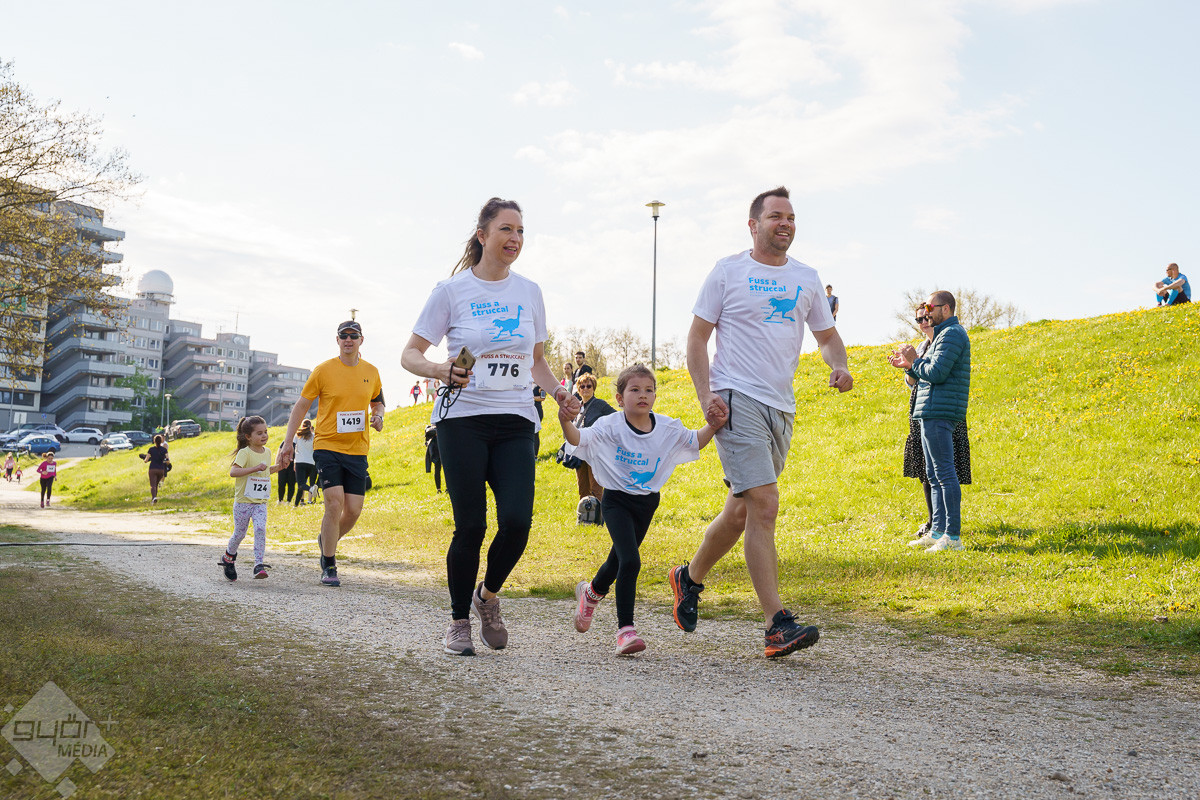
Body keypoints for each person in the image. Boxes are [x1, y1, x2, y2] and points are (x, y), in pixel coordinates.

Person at [669, 186, 853, 659]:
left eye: (790, 217)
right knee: (765, 505)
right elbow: (696, 339)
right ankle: (776, 624)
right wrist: (706, 395)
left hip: (780, 407)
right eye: (775, 216)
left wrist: (839, 364)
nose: (785, 223)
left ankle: (688, 578)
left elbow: (827, 337)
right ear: (753, 225)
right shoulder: (728, 271)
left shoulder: (806, 278)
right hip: (735, 398)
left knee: (742, 512)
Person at [401, 197, 580, 657]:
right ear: (482, 235)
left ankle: (487, 595)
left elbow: (536, 361)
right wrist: (440, 370)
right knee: (471, 526)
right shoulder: (451, 291)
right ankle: (459, 620)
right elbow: (410, 354)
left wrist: (559, 392)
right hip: (462, 420)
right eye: (506, 229)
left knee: (517, 522)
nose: (515, 238)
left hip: (517, 420)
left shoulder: (530, 292)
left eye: (520, 231)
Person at [565, 363, 721, 655]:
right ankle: (625, 631)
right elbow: (577, 439)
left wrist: (713, 424)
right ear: (619, 398)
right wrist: (565, 421)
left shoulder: (666, 428)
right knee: (631, 561)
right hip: (616, 501)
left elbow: (695, 440)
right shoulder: (609, 426)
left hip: (646, 502)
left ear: (655, 396)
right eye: (635, 390)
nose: (643, 395)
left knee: (617, 560)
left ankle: (591, 593)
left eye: (649, 390)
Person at [277, 320, 385, 587]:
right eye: (343, 336)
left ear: (361, 340)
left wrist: (378, 416)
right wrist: (288, 442)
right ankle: (329, 563)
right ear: (337, 340)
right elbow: (301, 406)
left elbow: (378, 402)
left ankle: (326, 540)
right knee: (334, 503)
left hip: (357, 449)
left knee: (354, 511)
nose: (348, 340)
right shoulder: (323, 370)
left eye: (353, 336)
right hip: (327, 446)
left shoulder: (371, 372)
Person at [889, 291, 971, 552]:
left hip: (940, 411)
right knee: (933, 475)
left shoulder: (952, 334)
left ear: (945, 308)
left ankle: (953, 536)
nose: (926, 313)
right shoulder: (941, 335)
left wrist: (915, 360)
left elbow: (936, 373)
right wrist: (910, 365)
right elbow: (926, 373)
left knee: (945, 473)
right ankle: (937, 531)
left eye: (930, 307)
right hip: (929, 410)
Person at [220, 416, 286, 581]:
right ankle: (228, 558)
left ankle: (258, 564)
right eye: (259, 433)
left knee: (260, 529)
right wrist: (254, 468)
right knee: (239, 534)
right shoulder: (245, 453)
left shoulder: (268, 452)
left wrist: (279, 467)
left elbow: (264, 472)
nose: (264, 436)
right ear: (248, 436)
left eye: (265, 432)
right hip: (243, 502)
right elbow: (233, 472)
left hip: (260, 502)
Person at [571, 372, 616, 510]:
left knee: (595, 487)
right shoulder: (577, 407)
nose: (585, 389)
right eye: (582, 386)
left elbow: (616, 418)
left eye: (589, 386)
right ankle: (585, 515)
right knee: (583, 487)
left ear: (593, 388)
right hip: (580, 451)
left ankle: (600, 516)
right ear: (578, 390)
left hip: (595, 451)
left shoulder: (600, 404)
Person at [292, 418, 317, 506]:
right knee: (301, 485)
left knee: (301, 484)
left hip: (300, 462)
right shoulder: (314, 436)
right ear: (310, 427)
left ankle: (311, 489)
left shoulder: (297, 435)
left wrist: (293, 461)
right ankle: (295, 505)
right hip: (311, 463)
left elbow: (293, 448)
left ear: (302, 426)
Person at [141, 434, 170, 503]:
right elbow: (168, 461)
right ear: (161, 441)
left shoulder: (151, 449)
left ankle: (154, 498)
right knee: (156, 484)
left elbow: (146, 460)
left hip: (153, 469)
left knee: (153, 485)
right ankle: (154, 498)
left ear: (154, 441)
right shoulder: (164, 450)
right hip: (161, 470)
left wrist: (146, 459)